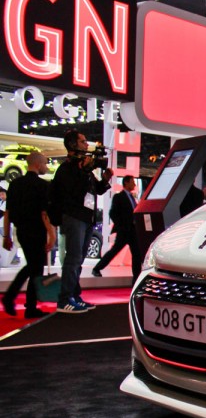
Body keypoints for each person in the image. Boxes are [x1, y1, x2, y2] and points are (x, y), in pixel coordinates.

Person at [49, 130, 113, 314]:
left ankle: (74, 296)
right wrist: (85, 171)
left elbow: (96, 190)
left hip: (86, 218)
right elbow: (73, 193)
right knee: (73, 259)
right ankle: (64, 299)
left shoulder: (82, 169)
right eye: (83, 141)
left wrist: (105, 180)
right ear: (72, 144)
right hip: (74, 217)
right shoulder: (67, 169)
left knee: (78, 259)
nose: (87, 145)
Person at [2, 152, 56, 318]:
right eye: (45, 164)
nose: (46, 167)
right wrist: (52, 235)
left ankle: (26, 305)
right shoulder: (41, 186)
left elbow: (7, 213)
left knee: (33, 267)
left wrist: (7, 236)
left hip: (22, 231)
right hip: (36, 231)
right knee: (34, 267)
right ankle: (17, 300)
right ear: (38, 164)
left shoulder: (15, 184)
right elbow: (43, 214)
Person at [92, 175, 142, 280]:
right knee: (114, 251)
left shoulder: (132, 197)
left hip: (132, 230)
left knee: (136, 254)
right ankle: (97, 268)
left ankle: (136, 277)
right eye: (132, 182)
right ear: (126, 183)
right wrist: (121, 226)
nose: (134, 184)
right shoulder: (119, 197)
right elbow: (112, 213)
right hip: (124, 230)